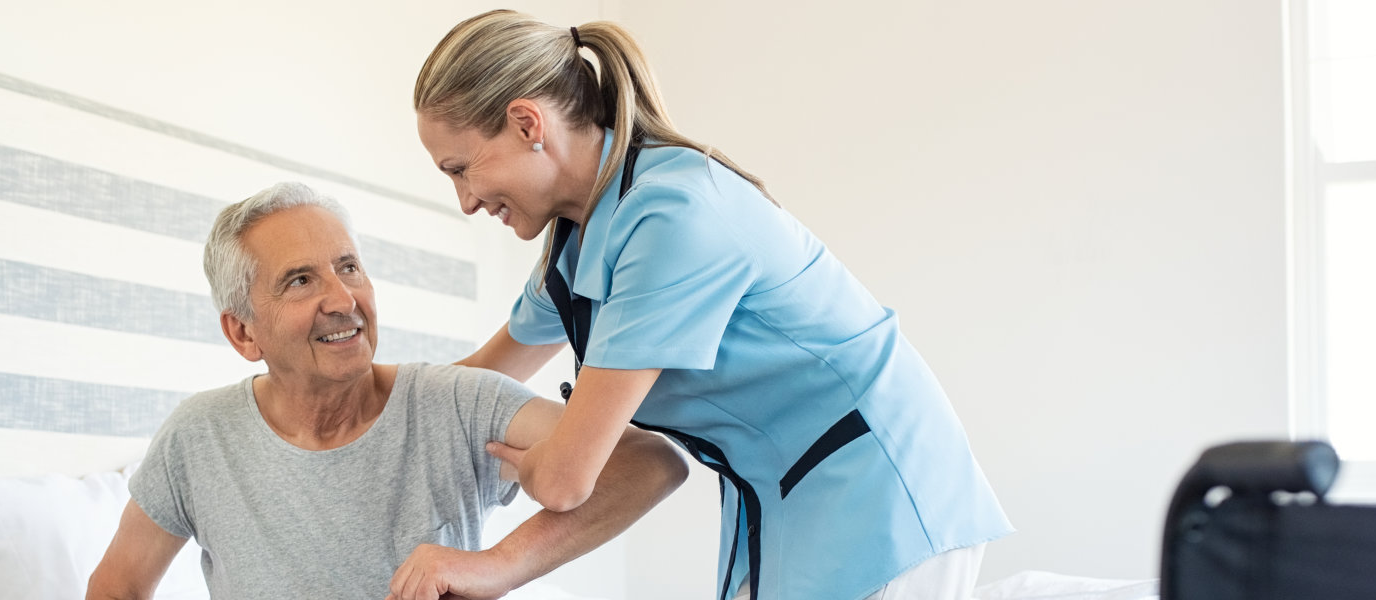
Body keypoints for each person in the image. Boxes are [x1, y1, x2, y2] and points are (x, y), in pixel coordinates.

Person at [413, 10, 1013, 600]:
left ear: (526, 124)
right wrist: (365, 400)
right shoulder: (576, 242)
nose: (466, 200)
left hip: (876, 487)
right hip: (780, 493)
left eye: (460, 169)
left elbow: (566, 479)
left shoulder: (672, 214)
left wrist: (535, 464)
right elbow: (473, 380)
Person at [84, 182, 688, 600]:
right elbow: (116, 588)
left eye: (348, 267)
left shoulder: (457, 404)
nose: (343, 299)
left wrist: (500, 566)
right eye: (300, 281)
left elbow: (649, 463)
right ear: (244, 332)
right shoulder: (199, 436)